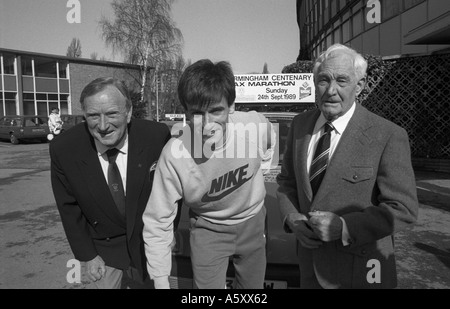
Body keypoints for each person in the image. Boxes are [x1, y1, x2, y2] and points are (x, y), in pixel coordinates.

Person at [276, 44, 419, 289]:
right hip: (310, 269)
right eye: (323, 80)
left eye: (342, 80)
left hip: (362, 273)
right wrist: (292, 218)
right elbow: (286, 183)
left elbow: (403, 209)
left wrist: (344, 227)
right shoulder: (300, 126)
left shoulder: (387, 135)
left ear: (359, 86)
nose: (331, 90)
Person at [142, 59, 276, 289]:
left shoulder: (254, 127)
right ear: (185, 111)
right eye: (196, 113)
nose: (206, 124)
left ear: (231, 107)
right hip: (208, 228)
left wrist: (262, 168)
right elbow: (158, 218)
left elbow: (271, 138)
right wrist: (161, 279)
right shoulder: (175, 154)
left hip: (252, 222)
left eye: (216, 111)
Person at [50, 77, 171, 289]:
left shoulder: (156, 136)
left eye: (112, 113)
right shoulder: (64, 149)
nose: (103, 126)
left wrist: (168, 235)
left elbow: (172, 192)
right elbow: (68, 208)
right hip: (102, 248)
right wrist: (87, 256)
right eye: (93, 116)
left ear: (129, 112)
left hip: (149, 243)